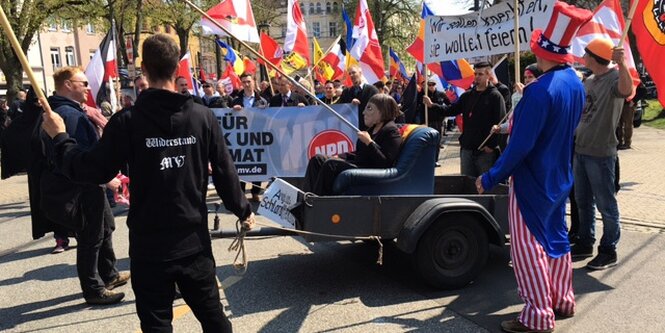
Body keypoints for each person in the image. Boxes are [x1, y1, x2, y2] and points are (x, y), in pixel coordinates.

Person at [42, 34, 255, 332]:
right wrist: (243, 210)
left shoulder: (131, 120)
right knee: (215, 321)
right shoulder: (200, 117)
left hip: (153, 247)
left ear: (144, 68)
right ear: (177, 68)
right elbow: (225, 172)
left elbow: (89, 169)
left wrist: (60, 138)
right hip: (188, 243)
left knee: (165, 324)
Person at [475, 3, 592, 332]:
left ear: (543, 52)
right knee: (555, 238)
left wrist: (491, 175)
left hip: (532, 181)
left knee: (528, 246)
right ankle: (562, 298)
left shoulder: (539, 92)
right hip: (560, 175)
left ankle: (538, 314)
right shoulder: (574, 83)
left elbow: (519, 147)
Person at [45, 66, 129, 305]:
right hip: (83, 186)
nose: (88, 87)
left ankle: (109, 274)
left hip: (92, 184)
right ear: (68, 85)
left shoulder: (72, 111)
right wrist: (104, 177)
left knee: (106, 227)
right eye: (83, 83)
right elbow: (80, 158)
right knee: (91, 237)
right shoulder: (67, 115)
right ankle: (94, 290)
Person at [571, 37, 633, 270]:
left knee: (606, 205)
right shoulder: (589, 80)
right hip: (581, 150)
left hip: (601, 154)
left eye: (586, 53)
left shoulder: (614, 78)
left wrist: (623, 64)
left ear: (594, 57)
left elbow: (627, 91)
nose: (583, 57)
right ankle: (585, 242)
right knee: (582, 201)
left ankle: (608, 250)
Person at [303, 94, 402, 195]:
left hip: (370, 170)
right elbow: (362, 153)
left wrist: (369, 142)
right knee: (318, 159)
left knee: (331, 165)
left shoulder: (391, 131)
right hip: (359, 164)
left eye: (369, 108)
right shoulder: (372, 129)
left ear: (382, 111)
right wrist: (344, 155)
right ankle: (306, 196)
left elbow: (386, 162)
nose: (364, 112)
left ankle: (318, 201)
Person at [434, 61, 506, 177]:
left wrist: (491, 146)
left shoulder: (495, 96)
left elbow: (501, 123)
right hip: (467, 149)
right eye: (475, 74)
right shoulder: (467, 96)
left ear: (488, 75)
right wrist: (433, 106)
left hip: (485, 152)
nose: (477, 77)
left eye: (480, 74)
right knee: (467, 184)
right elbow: (451, 110)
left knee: (484, 187)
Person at [231, 73, 268, 202]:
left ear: (254, 82)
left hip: (257, 138)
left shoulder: (262, 101)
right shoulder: (236, 100)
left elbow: (267, 120)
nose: (246, 85)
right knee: (241, 164)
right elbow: (229, 119)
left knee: (257, 163)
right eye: (244, 82)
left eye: (248, 81)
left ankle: (255, 192)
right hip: (241, 138)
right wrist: (233, 110)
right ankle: (241, 193)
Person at [338, 64, 379, 130]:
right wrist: (350, 105)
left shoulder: (372, 90)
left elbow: (377, 109)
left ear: (360, 73)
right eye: (350, 74)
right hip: (350, 129)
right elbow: (340, 109)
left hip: (368, 129)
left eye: (354, 72)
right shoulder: (346, 92)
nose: (351, 75)